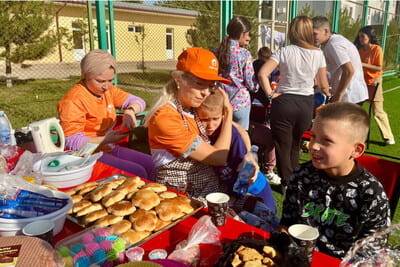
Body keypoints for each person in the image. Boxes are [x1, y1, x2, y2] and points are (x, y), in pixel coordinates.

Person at [280, 102, 391, 259]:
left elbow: (372, 252)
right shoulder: (302, 174)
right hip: (296, 256)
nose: (313, 146)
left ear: (356, 150)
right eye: (313, 137)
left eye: (326, 140)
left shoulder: (370, 193)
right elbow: (287, 222)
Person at [146, 47, 233, 201]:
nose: (206, 92)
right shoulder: (165, 118)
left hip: (209, 189)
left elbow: (238, 130)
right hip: (181, 200)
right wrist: (229, 113)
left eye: (211, 86)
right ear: (178, 79)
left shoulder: (193, 108)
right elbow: (218, 157)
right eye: (200, 84)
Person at [58, 49, 155, 180]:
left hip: (107, 147)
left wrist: (130, 110)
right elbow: (72, 142)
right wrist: (105, 139)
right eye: (101, 81)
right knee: (137, 172)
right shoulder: (73, 100)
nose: (106, 86)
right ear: (85, 75)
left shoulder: (108, 91)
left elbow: (139, 101)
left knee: (153, 164)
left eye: (110, 80)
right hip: (85, 155)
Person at [257, 16, 330, 186]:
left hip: (284, 103)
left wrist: (270, 94)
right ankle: (294, 180)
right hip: (305, 103)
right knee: (295, 144)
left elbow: (262, 73)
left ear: (292, 31)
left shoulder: (284, 51)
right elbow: (322, 84)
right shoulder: (318, 54)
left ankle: (287, 182)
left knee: (283, 146)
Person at [197, 89, 277, 212]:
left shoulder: (232, 135)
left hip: (255, 189)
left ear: (223, 116)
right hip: (232, 190)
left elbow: (244, 170)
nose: (210, 125)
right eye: (205, 120)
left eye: (215, 119)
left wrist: (235, 196)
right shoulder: (203, 134)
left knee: (269, 223)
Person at [214, 16, 258, 130]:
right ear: (241, 34)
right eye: (247, 34)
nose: (248, 37)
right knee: (241, 139)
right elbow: (250, 83)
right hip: (240, 103)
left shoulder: (216, 53)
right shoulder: (244, 54)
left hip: (220, 103)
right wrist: (258, 86)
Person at [312, 16, 368, 105]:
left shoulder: (334, 45)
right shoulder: (333, 42)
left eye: (315, 34)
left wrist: (339, 94)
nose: (312, 37)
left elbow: (349, 71)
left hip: (350, 97)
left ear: (326, 31)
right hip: (351, 95)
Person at [354, 26, 395, 145]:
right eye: (360, 36)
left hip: (375, 81)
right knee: (356, 108)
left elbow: (379, 67)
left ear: (370, 37)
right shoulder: (360, 50)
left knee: (377, 111)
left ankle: (388, 137)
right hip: (362, 81)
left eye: (363, 37)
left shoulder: (377, 49)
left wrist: (363, 64)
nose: (361, 39)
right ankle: (356, 135)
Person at [250, 47, 281, 185]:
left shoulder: (247, 90)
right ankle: (269, 170)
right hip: (254, 127)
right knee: (271, 138)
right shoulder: (262, 93)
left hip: (251, 128)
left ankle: (263, 165)